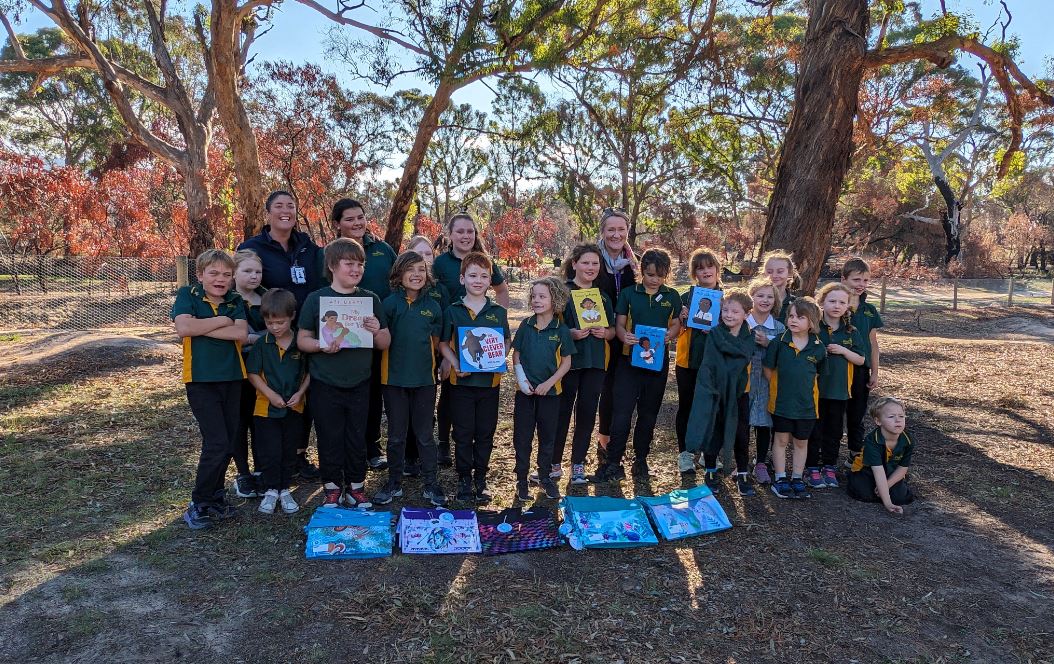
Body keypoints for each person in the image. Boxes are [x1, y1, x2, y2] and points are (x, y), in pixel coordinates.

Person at [297, 238, 391, 509]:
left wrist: (375, 330)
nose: (356, 269)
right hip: (325, 382)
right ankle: (332, 488)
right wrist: (320, 346)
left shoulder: (369, 299)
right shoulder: (317, 299)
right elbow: (302, 339)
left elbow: (384, 342)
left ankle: (356, 487)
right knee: (329, 436)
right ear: (332, 265)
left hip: (361, 381)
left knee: (357, 436)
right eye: (349, 263)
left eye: (360, 264)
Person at [238, 190, 324, 480]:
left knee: (302, 392)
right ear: (268, 212)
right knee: (265, 397)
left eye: (291, 205)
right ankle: (266, 462)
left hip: (304, 331)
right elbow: (240, 283)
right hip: (268, 335)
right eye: (279, 206)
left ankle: (297, 455)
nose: (285, 211)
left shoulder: (308, 247)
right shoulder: (253, 247)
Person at [171, 249, 248, 530]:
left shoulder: (235, 299)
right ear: (200, 275)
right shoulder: (187, 295)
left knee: (228, 443)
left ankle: (216, 497)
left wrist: (200, 327)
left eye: (226, 275)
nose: (220, 279)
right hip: (201, 380)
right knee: (216, 442)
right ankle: (199, 501)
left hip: (233, 378)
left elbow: (240, 334)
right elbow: (183, 328)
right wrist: (221, 321)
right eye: (214, 273)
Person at [590, 248, 681, 482]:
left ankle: (640, 460)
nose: (655, 280)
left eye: (660, 276)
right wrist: (624, 336)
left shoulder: (672, 296)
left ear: (666, 275)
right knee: (621, 413)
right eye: (650, 274)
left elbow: (675, 325)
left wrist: (671, 335)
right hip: (628, 362)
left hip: (656, 364)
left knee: (648, 414)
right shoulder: (629, 293)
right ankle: (613, 461)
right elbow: (619, 325)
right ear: (642, 272)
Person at [431, 213, 510, 467]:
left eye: (470, 232)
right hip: (448, 333)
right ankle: (445, 443)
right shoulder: (440, 263)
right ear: (450, 234)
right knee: (448, 395)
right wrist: (447, 356)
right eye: (460, 231)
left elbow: (501, 290)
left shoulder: (486, 263)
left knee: (478, 408)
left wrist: (497, 327)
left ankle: (473, 461)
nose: (466, 236)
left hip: (480, 337)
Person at [372, 251, 448, 507]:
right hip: (393, 380)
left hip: (425, 381)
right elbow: (382, 339)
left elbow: (435, 344)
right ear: (398, 274)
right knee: (396, 435)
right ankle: (394, 481)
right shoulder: (389, 304)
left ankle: (431, 483)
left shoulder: (433, 307)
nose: (416, 274)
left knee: (425, 435)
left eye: (421, 269)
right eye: (410, 269)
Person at [438, 251, 510, 504]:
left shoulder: (498, 312)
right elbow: (443, 343)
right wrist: (456, 363)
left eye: (483, 276)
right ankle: (464, 478)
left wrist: (498, 357)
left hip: (489, 383)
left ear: (490, 280)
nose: (478, 280)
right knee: (463, 431)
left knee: (485, 431)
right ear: (462, 279)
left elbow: (506, 341)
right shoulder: (453, 310)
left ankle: (481, 477)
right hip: (462, 383)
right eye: (472, 275)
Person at [332, 199, 398, 472]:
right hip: (340, 336)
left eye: (360, 217)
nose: (357, 223)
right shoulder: (329, 253)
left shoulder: (382, 250)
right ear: (337, 224)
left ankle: (372, 447)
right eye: (350, 219)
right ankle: (344, 451)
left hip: (376, 333)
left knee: (372, 394)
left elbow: (398, 283)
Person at [574, 208, 638, 466]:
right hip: (593, 338)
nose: (616, 234)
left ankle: (608, 446)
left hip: (624, 337)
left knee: (615, 393)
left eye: (621, 229)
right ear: (602, 231)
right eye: (610, 229)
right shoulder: (592, 261)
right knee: (590, 393)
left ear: (627, 231)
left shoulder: (634, 265)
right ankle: (579, 452)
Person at [553, 244, 616, 485]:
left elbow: (612, 331)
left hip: (596, 363)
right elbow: (554, 329)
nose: (590, 267)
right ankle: (554, 463)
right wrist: (571, 334)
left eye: (595, 264)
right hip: (570, 363)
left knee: (587, 414)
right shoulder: (563, 292)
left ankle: (578, 464)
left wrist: (605, 333)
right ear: (575, 263)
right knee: (562, 412)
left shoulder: (602, 297)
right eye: (586, 262)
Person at [685, 290, 756, 496]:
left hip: (740, 392)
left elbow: (743, 358)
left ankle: (742, 472)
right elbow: (709, 363)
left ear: (746, 314)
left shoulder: (749, 337)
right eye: (725, 310)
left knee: (741, 433)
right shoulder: (715, 333)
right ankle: (710, 470)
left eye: (735, 311)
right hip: (715, 391)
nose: (729, 315)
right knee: (713, 431)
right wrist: (711, 387)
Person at [245, 289, 309, 515]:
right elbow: (252, 372)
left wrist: (300, 393)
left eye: (280, 322)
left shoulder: (301, 341)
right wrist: (270, 395)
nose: (274, 327)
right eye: (269, 322)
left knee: (289, 449)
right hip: (265, 409)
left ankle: (285, 489)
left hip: (294, 407)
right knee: (269, 449)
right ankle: (271, 489)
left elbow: (310, 372)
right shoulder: (262, 343)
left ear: (292, 316)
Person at [512, 276, 575, 500]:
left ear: (555, 299)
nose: (536, 300)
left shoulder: (562, 330)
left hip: (551, 394)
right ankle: (521, 480)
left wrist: (548, 383)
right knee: (522, 438)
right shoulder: (525, 325)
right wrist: (522, 381)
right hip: (525, 394)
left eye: (542, 296)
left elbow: (566, 362)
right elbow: (516, 356)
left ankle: (545, 477)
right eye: (534, 296)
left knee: (547, 437)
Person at [763, 297, 826, 500]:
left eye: (800, 317)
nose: (793, 320)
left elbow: (820, 374)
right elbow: (767, 369)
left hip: (807, 406)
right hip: (781, 403)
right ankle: (781, 478)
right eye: (791, 316)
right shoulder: (779, 343)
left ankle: (797, 477)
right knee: (781, 440)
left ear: (812, 322)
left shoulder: (818, 347)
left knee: (801, 442)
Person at [805, 283, 865, 490]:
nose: (836, 306)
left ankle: (829, 466)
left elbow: (860, 359)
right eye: (831, 301)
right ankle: (811, 467)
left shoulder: (851, 331)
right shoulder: (813, 328)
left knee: (834, 431)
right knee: (814, 429)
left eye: (842, 302)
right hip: (814, 390)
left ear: (848, 306)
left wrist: (843, 351)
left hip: (839, 392)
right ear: (821, 302)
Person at [401, 234, 451, 477]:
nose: (424, 258)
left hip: (433, 356)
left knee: (425, 408)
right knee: (405, 410)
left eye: (428, 254)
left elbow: (446, 327)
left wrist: (446, 360)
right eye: (417, 254)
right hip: (407, 359)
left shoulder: (440, 290)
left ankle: (424, 455)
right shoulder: (400, 292)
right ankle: (408, 456)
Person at [675, 247, 722, 475]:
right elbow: (673, 329)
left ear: (717, 269)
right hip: (688, 361)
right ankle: (684, 453)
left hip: (714, 363)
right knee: (686, 406)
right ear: (695, 273)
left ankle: (706, 453)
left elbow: (735, 329)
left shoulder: (726, 298)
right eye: (700, 268)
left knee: (711, 407)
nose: (706, 271)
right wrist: (681, 318)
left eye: (709, 266)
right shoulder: (686, 297)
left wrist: (717, 330)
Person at [231, 249, 266, 499]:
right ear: (234, 273)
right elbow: (236, 337)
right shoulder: (226, 300)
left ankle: (263, 471)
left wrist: (253, 339)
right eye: (247, 271)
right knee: (239, 423)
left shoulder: (268, 298)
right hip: (236, 371)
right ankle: (243, 473)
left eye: (258, 272)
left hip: (265, 372)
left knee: (261, 422)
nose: (254, 276)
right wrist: (255, 338)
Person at [842, 257, 884, 464]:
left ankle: (854, 452)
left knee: (857, 412)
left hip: (861, 369)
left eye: (865, 280)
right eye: (856, 279)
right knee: (831, 412)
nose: (861, 285)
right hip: (837, 367)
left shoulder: (870, 310)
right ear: (844, 279)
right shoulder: (835, 305)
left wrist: (874, 372)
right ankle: (824, 452)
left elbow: (873, 344)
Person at [745, 277, 785, 486]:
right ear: (751, 298)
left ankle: (761, 462)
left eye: (770, 296)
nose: (765, 300)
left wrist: (769, 343)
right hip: (744, 382)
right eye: (760, 295)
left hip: (767, 383)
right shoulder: (742, 323)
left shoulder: (779, 329)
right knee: (742, 421)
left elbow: (785, 356)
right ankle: (740, 463)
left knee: (763, 423)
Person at [846, 397, 914, 513]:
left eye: (901, 416)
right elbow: (878, 471)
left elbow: (902, 468)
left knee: (900, 498)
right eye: (891, 417)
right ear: (878, 421)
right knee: (865, 494)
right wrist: (888, 504)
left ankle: (891, 486)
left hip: (890, 471)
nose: (898, 420)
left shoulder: (907, 440)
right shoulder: (872, 441)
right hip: (867, 470)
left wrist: (887, 485)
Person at [760, 250, 797, 323]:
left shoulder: (796, 304)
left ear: (789, 273)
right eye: (769, 272)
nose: (774, 275)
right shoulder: (753, 301)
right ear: (763, 273)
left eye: (780, 271)